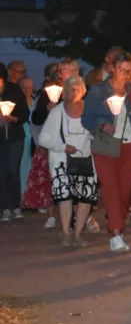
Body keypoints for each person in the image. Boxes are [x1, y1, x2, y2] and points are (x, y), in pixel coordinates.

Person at [82, 51, 131, 252]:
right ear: (112, 68)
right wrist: (101, 124)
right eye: (122, 70)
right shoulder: (99, 90)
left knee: (125, 190)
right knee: (110, 188)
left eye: (129, 71)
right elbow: (86, 118)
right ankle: (116, 233)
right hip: (106, 145)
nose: (126, 75)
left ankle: (118, 226)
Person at [37, 76, 98, 246]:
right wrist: (63, 147)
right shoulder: (57, 112)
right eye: (71, 88)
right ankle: (65, 233)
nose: (74, 91)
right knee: (64, 196)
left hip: (86, 159)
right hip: (62, 161)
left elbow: (96, 134)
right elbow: (43, 139)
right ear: (64, 92)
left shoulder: (90, 110)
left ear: (83, 91)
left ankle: (77, 234)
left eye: (78, 88)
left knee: (85, 197)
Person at [23, 64, 59, 222]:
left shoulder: (70, 94)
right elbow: (36, 122)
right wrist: (41, 143)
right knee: (46, 178)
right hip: (47, 144)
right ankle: (49, 211)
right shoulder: (44, 97)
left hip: (65, 145)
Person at [0, 62, 31, 221]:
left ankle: (16, 206)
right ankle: (5, 207)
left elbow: (24, 113)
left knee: (13, 170)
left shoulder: (14, 90)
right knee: (2, 171)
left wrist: (14, 119)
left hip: (15, 137)